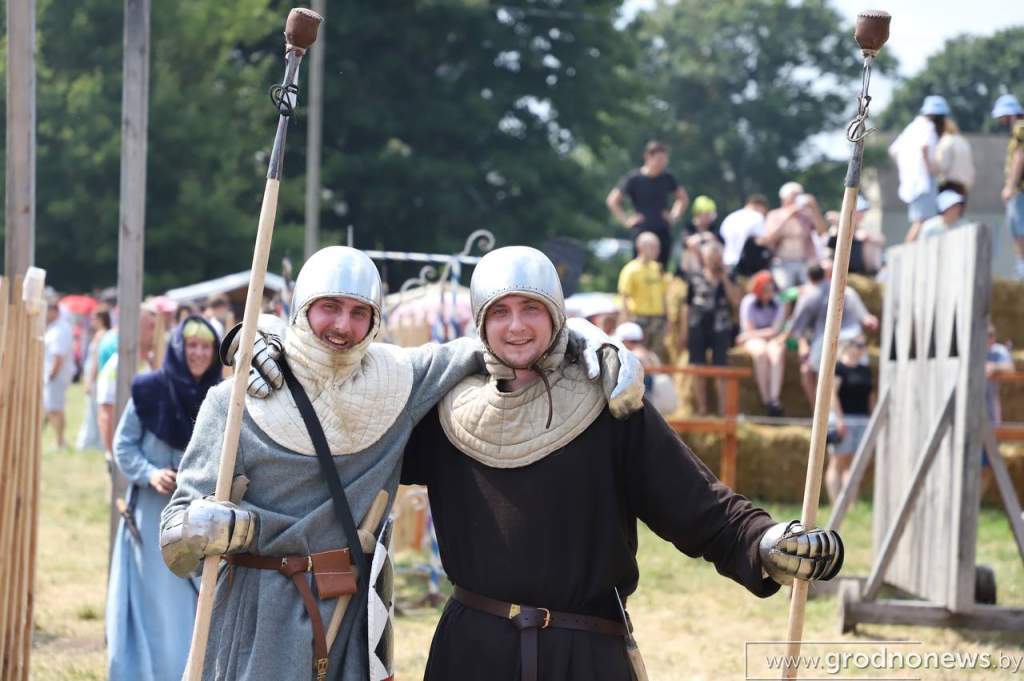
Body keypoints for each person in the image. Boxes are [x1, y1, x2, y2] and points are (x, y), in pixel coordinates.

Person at [160, 246, 642, 681]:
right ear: (300, 312)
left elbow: (503, 341)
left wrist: (584, 332)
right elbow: (175, 540)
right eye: (329, 307)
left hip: (348, 611)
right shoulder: (234, 401)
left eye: (359, 312)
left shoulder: (402, 380)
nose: (343, 326)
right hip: (257, 612)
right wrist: (214, 526)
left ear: (375, 319)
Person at [400, 246, 844, 681]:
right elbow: (355, 454)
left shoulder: (606, 403)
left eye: (531, 308)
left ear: (557, 315)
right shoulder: (446, 414)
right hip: (473, 656)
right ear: (481, 321)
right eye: (500, 312)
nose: (516, 326)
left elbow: (696, 504)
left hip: (586, 656)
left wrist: (765, 542)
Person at [106, 317, 222, 681]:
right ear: (177, 348)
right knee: (155, 606)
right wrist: (150, 472)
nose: (199, 354)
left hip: (198, 519)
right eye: (192, 346)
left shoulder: (220, 399)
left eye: (206, 347)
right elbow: (123, 444)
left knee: (193, 605)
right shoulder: (149, 388)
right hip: (152, 516)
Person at [788, 261, 878, 407]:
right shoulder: (848, 292)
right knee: (863, 379)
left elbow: (794, 331)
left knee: (816, 375)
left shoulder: (808, 295)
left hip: (827, 343)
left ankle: (819, 414)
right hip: (853, 342)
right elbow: (866, 318)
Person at [680, 241, 742, 415]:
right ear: (704, 259)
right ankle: (702, 409)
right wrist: (684, 332)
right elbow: (687, 306)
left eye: (717, 258)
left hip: (721, 326)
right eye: (711, 258)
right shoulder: (695, 276)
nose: (714, 261)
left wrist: (724, 278)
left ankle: (723, 411)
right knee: (697, 368)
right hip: (697, 325)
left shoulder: (730, 275)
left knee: (720, 369)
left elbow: (736, 300)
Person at [606, 140, 689, 269]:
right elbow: (612, 200)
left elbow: (683, 198)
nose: (662, 163)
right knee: (639, 269)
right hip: (641, 231)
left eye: (664, 159)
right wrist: (626, 220)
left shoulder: (668, 177)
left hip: (662, 230)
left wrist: (674, 216)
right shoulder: (634, 178)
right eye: (659, 159)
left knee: (661, 270)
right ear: (648, 157)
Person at [97, 307, 158, 453]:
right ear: (136, 330)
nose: (156, 333)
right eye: (151, 327)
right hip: (128, 453)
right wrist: (115, 456)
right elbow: (107, 415)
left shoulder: (151, 363)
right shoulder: (117, 367)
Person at [889, 95, 947, 242]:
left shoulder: (913, 126)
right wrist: (930, 168)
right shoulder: (928, 127)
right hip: (924, 181)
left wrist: (907, 168)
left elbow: (894, 150)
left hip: (912, 181)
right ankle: (908, 249)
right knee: (923, 221)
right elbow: (924, 146)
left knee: (920, 220)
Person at [826, 336, 873, 504]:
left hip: (861, 420)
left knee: (853, 464)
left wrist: (872, 416)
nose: (862, 348)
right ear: (849, 347)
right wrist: (839, 420)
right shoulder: (839, 368)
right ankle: (835, 503)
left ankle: (850, 504)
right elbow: (832, 395)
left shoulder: (865, 369)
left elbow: (869, 396)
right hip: (843, 419)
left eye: (863, 345)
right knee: (838, 461)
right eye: (859, 345)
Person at [737, 271, 786, 417]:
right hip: (754, 339)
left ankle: (774, 399)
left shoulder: (778, 302)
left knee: (777, 354)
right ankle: (765, 399)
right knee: (761, 353)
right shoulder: (748, 302)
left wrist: (749, 335)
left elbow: (775, 330)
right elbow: (749, 328)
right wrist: (754, 334)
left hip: (761, 337)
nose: (769, 293)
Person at [759, 182, 824, 290]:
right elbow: (769, 238)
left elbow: (821, 231)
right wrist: (788, 215)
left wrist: (814, 208)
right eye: (794, 195)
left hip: (805, 261)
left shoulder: (806, 215)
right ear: (784, 198)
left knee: (813, 289)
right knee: (784, 291)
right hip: (782, 262)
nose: (797, 198)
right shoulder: (774, 215)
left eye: (799, 195)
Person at [617, 231, 668, 360]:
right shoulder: (630, 270)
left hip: (657, 319)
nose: (657, 251)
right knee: (637, 356)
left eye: (658, 247)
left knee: (656, 355)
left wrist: (667, 318)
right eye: (653, 247)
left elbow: (663, 295)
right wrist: (625, 322)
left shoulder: (657, 268)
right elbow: (624, 298)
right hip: (638, 319)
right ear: (640, 248)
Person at [992, 93, 1024, 279]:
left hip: (1020, 189)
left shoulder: (1020, 127)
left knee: (1018, 228)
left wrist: (1010, 186)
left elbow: (1020, 156)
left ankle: (1022, 268)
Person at [982, 323, 1014, 496]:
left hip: (990, 417)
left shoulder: (997, 352)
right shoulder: (971, 351)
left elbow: (1010, 368)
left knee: (988, 465)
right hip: (969, 418)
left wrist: (993, 367)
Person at [76, 306, 113, 451]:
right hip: (98, 375)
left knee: (93, 410)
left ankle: (91, 441)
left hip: (96, 376)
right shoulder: (105, 334)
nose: (92, 321)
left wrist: (90, 380)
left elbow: (95, 360)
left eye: (94, 318)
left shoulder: (100, 335)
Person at [43, 298, 77, 449]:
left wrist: (51, 374)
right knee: (54, 408)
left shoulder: (60, 329)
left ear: (54, 311)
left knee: (54, 408)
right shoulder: (55, 327)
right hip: (53, 374)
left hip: (55, 375)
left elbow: (59, 356)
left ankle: (60, 440)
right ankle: (60, 440)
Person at [824, 196, 886, 275]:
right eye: (860, 211)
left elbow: (881, 239)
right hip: (840, 273)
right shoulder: (837, 228)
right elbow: (829, 217)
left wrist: (868, 237)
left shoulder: (863, 228)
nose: (863, 214)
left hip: (861, 273)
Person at [721, 194, 769, 274]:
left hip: (726, 261)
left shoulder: (730, 217)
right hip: (745, 264)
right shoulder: (757, 217)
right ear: (759, 206)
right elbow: (761, 240)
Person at [677, 195, 722, 278]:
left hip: (710, 265)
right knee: (692, 247)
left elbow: (719, 241)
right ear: (697, 214)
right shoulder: (689, 227)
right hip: (692, 265)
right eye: (706, 214)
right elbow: (687, 243)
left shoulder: (713, 227)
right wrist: (703, 236)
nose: (709, 217)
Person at [935, 117, 975, 197]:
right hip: (963, 186)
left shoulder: (946, 141)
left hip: (949, 185)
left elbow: (942, 167)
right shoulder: (963, 141)